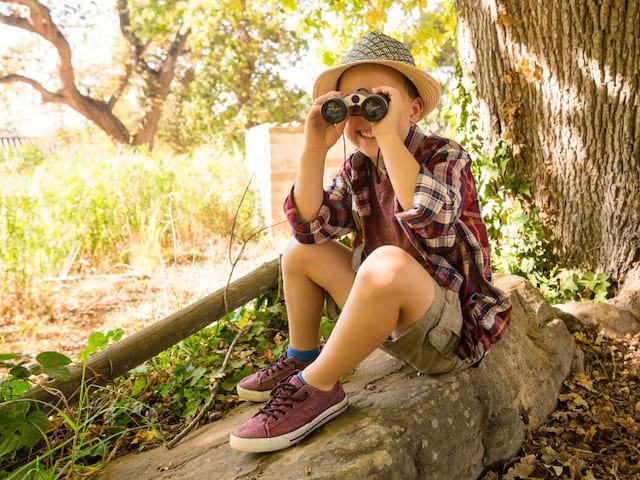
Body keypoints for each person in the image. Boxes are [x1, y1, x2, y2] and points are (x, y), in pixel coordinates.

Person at [229, 31, 512, 453]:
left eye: (377, 99)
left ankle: (319, 387)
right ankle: (304, 355)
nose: (365, 114)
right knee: (300, 253)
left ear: (413, 109)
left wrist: (390, 139)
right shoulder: (357, 168)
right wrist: (312, 149)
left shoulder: (446, 156)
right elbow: (308, 227)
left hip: (446, 333)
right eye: (351, 103)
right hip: (389, 317)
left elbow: (431, 222)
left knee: (386, 262)